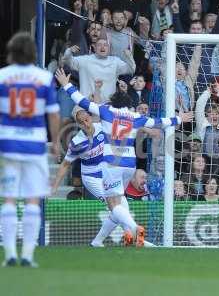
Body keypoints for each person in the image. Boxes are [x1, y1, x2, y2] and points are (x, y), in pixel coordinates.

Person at [55, 68, 192, 246]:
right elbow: (159, 123)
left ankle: (135, 229)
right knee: (119, 205)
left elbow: (81, 101)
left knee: (113, 205)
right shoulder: (136, 116)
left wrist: (66, 85)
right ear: (128, 104)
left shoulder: (106, 111)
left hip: (111, 164)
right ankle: (98, 242)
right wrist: (178, 119)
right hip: (129, 165)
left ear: (113, 102)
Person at [0, 32, 60, 267]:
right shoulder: (44, 78)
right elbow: (53, 113)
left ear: (11, 52)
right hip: (34, 145)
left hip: (7, 144)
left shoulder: (2, 76)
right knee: (33, 199)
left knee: (9, 198)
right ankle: (27, 255)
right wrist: (55, 142)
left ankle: (10, 255)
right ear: (33, 53)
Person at [52, 107, 135, 247]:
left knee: (122, 205)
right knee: (116, 205)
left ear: (91, 117)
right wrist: (54, 186)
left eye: (87, 119)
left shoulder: (103, 128)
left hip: (107, 173)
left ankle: (98, 241)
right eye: (81, 122)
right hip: (91, 177)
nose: (86, 123)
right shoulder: (77, 142)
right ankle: (135, 236)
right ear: (77, 124)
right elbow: (65, 165)